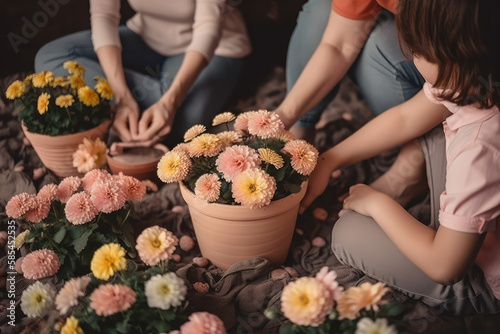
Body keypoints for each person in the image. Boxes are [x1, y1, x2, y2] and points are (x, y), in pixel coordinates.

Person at [300, 0, 500, 316]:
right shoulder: (473, 78)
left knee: (348, 232)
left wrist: (377, 204)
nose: (412, 55)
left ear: (451, 57)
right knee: (431, 126)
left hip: (483, 284)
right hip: (476, 215)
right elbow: (406, 118)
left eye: (417, 49)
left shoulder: (481, 146)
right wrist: (329, 160)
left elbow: (445, 267)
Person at [35, 0, 251, 147]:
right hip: (145, 38)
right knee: (49, 58)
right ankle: (138, 102)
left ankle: (153, 102)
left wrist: (170, 103)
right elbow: (104, 16)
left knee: (184, 123)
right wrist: (122, 97)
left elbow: (208, 27)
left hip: (214, 48)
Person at [275, 0, 424, 142]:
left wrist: (333, 159)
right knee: (324, 11)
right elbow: (339, 45)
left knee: (377, 45)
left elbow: (441, 91)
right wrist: (282, 117)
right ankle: (299, 129)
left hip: (439, 68)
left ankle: (420, 141)